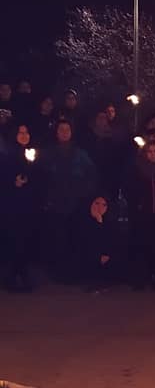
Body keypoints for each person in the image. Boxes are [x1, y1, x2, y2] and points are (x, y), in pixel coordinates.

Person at [40, 119, 97, 281]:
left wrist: (83, 193)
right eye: (61, 129)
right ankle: (57, 271)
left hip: (75, 203)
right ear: (56, 132)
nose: (64, 132)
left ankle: (73, 272)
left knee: (74, 237)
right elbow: (42, 177)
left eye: (67, 129)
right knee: (57, 238)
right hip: (55, 203)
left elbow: (91, 175)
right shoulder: (48, 153)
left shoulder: (80, 153)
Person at [1, 125, 40, 291]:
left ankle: (23, 272)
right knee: (14, 239)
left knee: (26, 239)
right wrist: (14, 182)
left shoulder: (33, 153)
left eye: (26, 132)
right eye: (20, 132)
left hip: (29, 205)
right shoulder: (7, 155)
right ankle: (12, 275)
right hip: (12, 205)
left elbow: (40, 177)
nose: (24, 135)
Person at [129, 139, 155, 290]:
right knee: (142, 244)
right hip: (142, 213)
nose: (152, 155)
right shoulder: (137, 169)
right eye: (150, 151)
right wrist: (138, 204)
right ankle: (141, 275)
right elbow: (131, 190)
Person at [75, 195, 120, 292]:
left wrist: (106, 253)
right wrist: (98, 222)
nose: (100, 207)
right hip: (85, 254)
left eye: (104, 205)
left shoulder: (109, 222)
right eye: (97, 203)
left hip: (103, 255)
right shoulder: (82, 220)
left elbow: (109, 241)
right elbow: (86, 242)